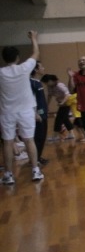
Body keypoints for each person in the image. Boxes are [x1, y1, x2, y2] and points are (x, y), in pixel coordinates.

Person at [0, 31, 44, 184]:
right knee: (29, 140)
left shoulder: (1, 73)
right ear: (18, 58)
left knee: (7, 142)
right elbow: (36, 53)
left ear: (4, 58)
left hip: (7, 112)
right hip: (26, 111)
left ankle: (8, 175)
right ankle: (35, 171)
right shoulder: (24, 68)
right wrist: (33, 38)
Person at [41, 74, 76, 141]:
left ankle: (55, 136)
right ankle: (71, 134)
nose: (45, 84)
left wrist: (63, 102)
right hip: (62, 104)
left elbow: (67, 94)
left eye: (46, 82)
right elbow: (49, 96)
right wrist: (47, 105)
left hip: (67, 103)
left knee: (58, 119)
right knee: (65, 119)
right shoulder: (50, 87)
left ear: (51, 80)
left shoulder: (59, 85)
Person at [30, 64, 49, 166]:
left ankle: (38, 157)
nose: (43, 68)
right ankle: (35, 160)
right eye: (41, 67)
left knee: (42, 137)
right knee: (38, 137)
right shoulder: (31, 83)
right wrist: (35, 113)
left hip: (43, 114)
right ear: (36, 69)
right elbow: (30, 100)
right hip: (37, 115)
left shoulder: (38, 83)